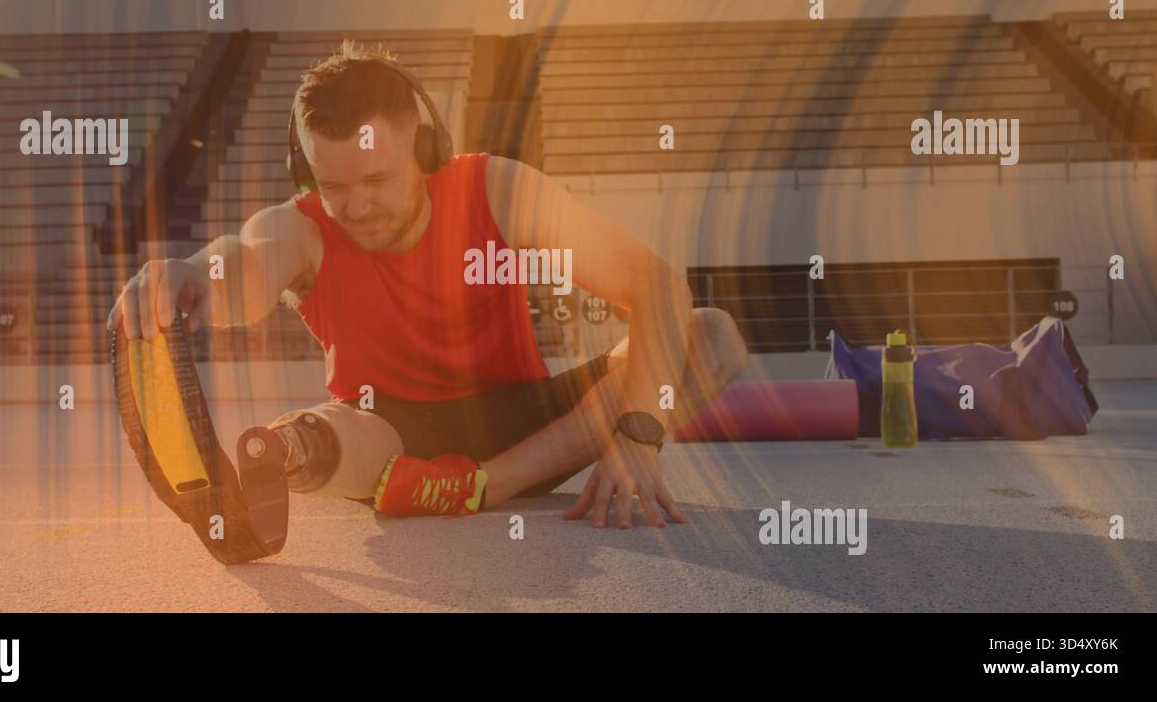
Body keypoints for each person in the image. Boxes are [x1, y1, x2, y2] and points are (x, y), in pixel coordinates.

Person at [107, 41, 746, 529]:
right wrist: (195, 272)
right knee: (332, 432)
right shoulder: (300, 230)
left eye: (376, 180)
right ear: (306, 172)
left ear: (423, 142)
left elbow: (655, 284)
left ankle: (480, 487)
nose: (354, 208)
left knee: (710, 337)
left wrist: (639, 432)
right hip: (389, 438)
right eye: (332, 187)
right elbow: (246, 261)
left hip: (527, 423)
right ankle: (284, 453)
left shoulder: (495, 188)